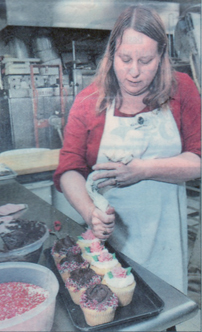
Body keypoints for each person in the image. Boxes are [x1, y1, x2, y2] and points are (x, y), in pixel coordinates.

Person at [53, 5, 201, 296]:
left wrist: (142, 170)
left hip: (166, 240)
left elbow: (197, 160)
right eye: (125, 59)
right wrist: (90, 212)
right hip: (111, 243)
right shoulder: (89, 101)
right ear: (111, 54)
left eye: (146, 60)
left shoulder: (181, 89)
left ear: (161, 56)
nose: (134, 72)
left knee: (163, 309)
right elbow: (69, 169)